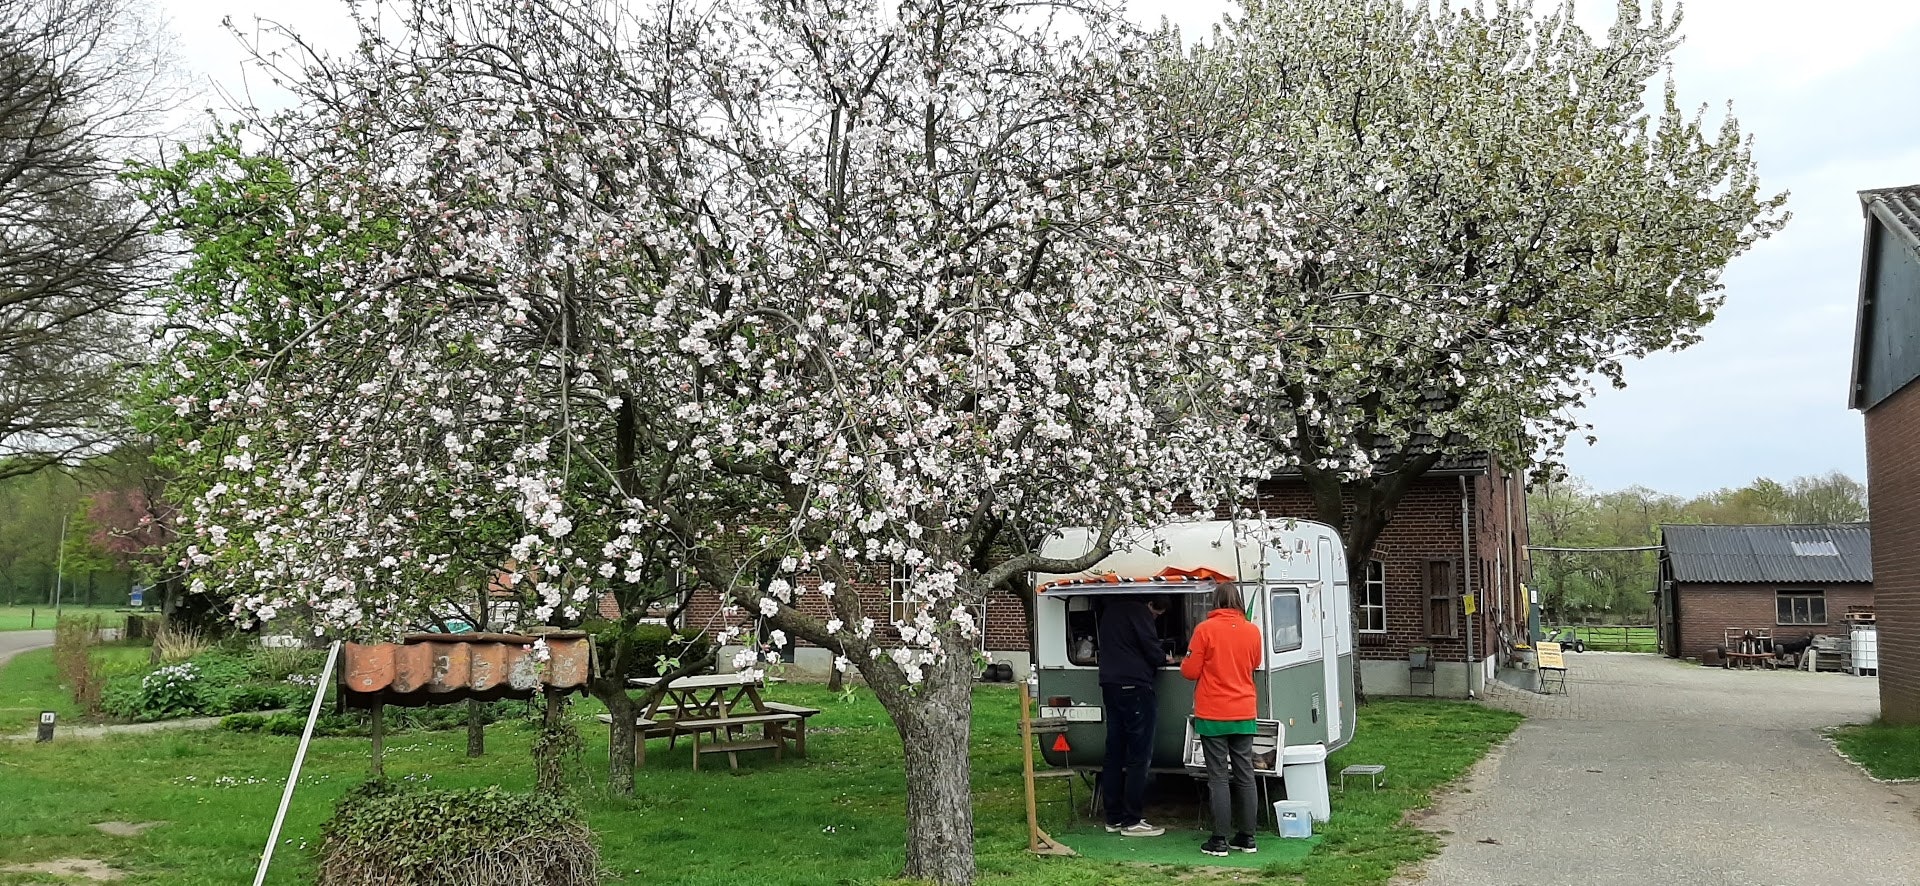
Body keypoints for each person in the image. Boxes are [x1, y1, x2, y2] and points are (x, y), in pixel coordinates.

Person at [1180, 582, 1262, 856]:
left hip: (1213, 712)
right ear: (1238, 602)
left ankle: (1219, 840)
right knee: (1245, 774)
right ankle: (1247, 837)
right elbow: (1254, 663)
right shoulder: (1252, 631)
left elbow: (1190, 671)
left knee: (1218, 777)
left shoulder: (1205, 630)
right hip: (1244, 710)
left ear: (1214, 602)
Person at [1097, 595, 1170, 837]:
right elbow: (1151, 648)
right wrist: (1164, 658)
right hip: (1135, 686)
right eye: (1157, 614)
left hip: (1110, 684)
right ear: (1150, 604)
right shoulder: (1139, 613)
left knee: (1114, 753)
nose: (1155, 618)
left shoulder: (1109, 610)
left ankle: (1113, 817)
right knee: (1139, 755)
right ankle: (1132, 819)